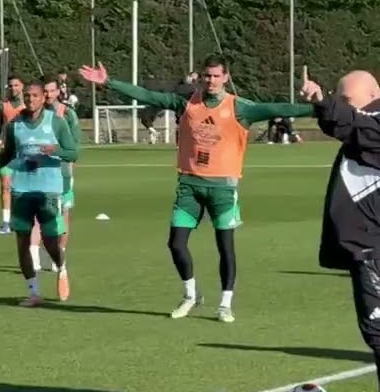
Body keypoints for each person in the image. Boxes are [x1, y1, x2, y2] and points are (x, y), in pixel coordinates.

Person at [79, 56, 318, 322]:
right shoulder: (186, 102)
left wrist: (319, 108)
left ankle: (225, 303)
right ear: (201, 77)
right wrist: (109, 82)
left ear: (226, 77)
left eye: (216, 76)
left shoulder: (240, 108)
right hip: (189, 186)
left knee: (225, 247)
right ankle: (191, 294)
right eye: (207, 76)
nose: (211, 81)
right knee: (176, 244)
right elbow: (149, 95)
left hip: (223, 189)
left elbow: (280, 108)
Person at [306, 70, 380, 392]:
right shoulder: (363, 128)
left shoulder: (374, 126)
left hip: (374, 249)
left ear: (372, 95)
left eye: (348, 99)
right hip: (365, 248)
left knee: (379, 331)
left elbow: (349, 124)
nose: (342, 105)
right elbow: (345, 124)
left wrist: (323, 102)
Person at [0, 82, 79, 306]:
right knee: (22, 241)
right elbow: (7, 155)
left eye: (35, 95)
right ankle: (33, 292)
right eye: (28, 96)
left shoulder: (56, 123)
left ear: (42, 99)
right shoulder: (14, 126)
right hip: (21, 189)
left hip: (48, 190)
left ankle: (62, 267)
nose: (30, 99)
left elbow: (74, 152)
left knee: (50, 241)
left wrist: (55, 150)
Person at [37, 78, 81, 272]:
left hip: (62, 172)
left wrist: (59, 154)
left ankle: (60, 253)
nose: (48, 95)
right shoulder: (33, 114)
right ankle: (40, 254)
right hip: (39, 172)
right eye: (44, 91)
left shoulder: (67, 114)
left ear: (58, 92)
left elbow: (75, 147)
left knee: (62, 214)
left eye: (51, 91)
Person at [0, 75, 25, 234]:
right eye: (11, 85)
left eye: (16, 85)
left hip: (25, 151)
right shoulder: (2, 105)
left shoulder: (30, 104)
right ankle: (5, 222)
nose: (13, 88)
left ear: (22, 86)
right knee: (5, 185)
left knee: (23, 188)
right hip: (7, 151)